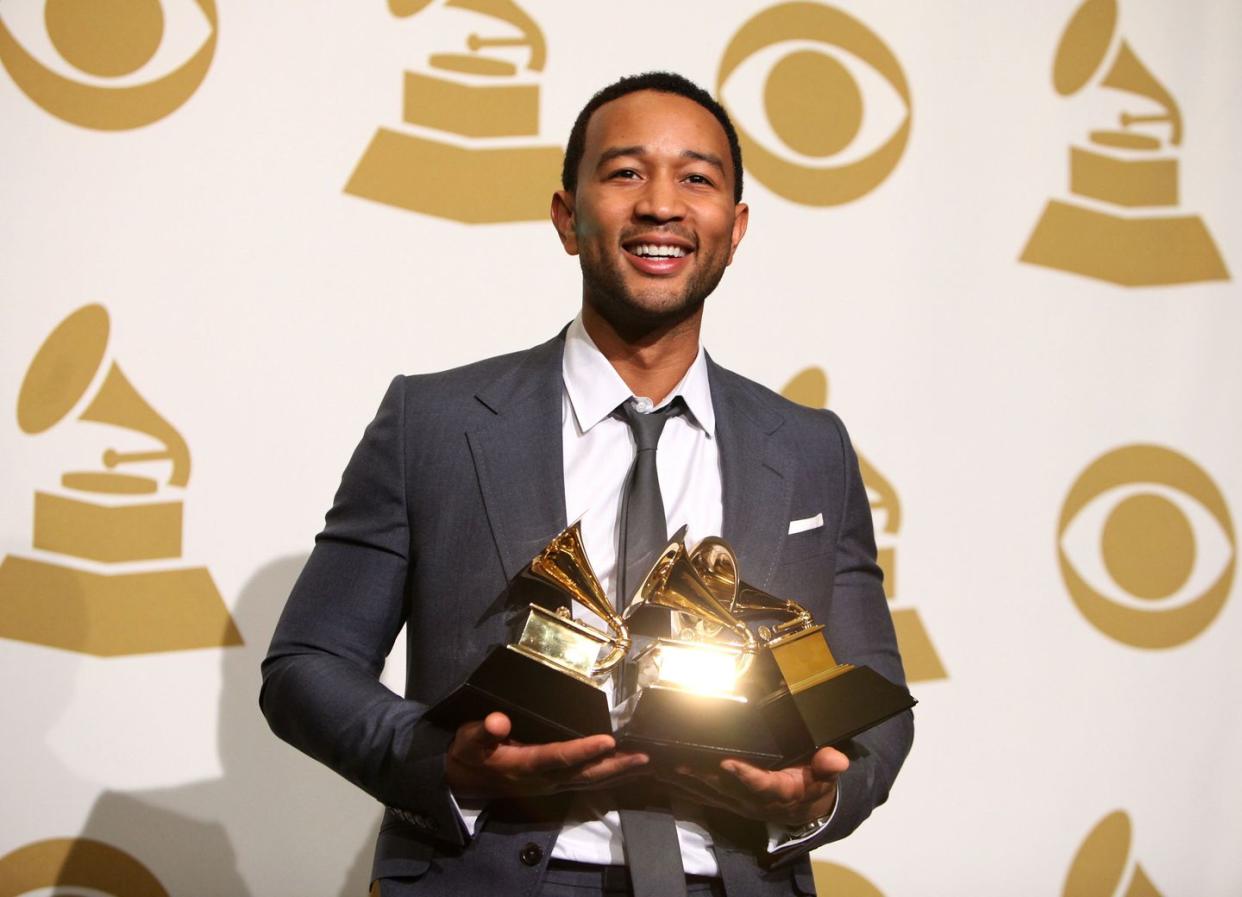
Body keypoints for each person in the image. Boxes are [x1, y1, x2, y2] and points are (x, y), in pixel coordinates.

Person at [261, 71, 913, 897]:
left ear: (735, 227)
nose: (662, 205)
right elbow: (307, 664)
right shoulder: (433, 422)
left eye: (697, 178)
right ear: (567, 217)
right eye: (626, 172)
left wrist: (816, 796)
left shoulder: (811, 447)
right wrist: (447, 763)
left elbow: (877, 701)